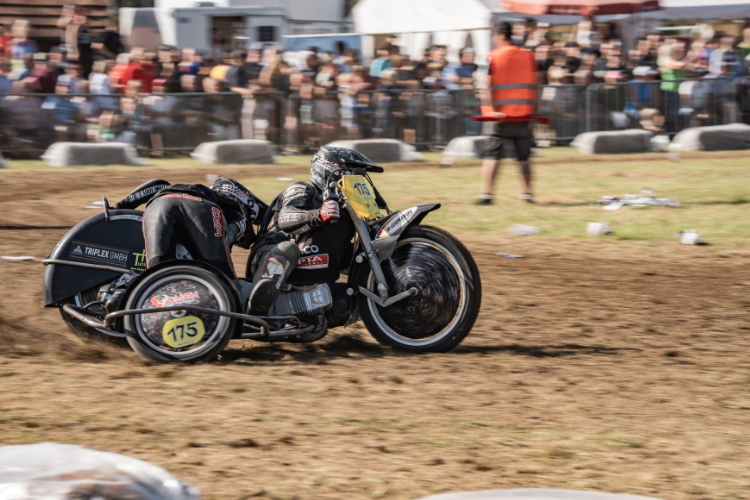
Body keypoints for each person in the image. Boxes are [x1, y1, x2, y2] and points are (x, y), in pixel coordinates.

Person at [247, 146, 383, 316]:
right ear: (330, 170)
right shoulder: (303, 188)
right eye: (352, 175)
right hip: (269, 256)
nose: (356, 182)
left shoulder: (346, 214)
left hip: (314, 280)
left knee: (364, 296)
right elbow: (285, 219)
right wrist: (319, 215)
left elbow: (344, 258)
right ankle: (256, 309)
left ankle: (311, 324)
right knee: (288, 249)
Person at [113, 178, 262, 283]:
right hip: (201, 207)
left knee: (156, 276)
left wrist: (120, 206)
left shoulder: (174, 188)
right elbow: (228, 236)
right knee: (223, 278)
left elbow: (158, 184)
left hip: (158, 205)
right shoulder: (237, 211)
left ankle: (122, 293)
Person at [476, 21, 538, 205]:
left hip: (499, 117)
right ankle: (527, 195)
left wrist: (492, 110)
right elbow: (537, 85)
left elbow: (485, 85)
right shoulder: (528, 56)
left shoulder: (491, 56)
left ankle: (487, 196)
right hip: (523, 115)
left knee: (492, 155)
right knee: (524, 157)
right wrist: (535, 109)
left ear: (500, 35)